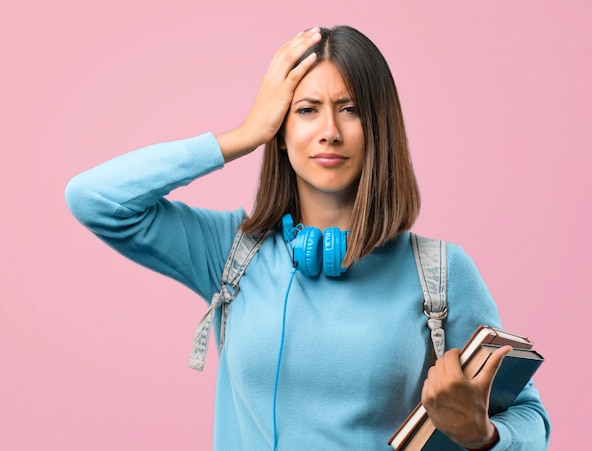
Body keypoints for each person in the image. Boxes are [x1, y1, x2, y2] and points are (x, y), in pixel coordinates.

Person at [65, 25, 550, 450]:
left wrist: (479, 435)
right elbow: (94, 198)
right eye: (306, 110)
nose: (329, 132)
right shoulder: (229, 253)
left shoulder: (441, 275)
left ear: (379, 127)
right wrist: (245, 132)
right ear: (281, 128)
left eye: (350, 109)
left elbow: (531, 422)